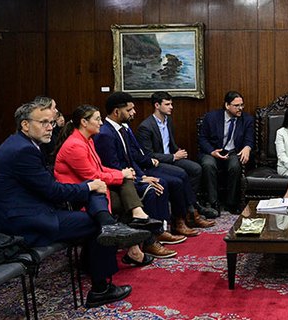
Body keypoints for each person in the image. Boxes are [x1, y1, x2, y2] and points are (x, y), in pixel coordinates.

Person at [0, 101, 151, 308]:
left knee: (94, 191)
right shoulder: (23, 150)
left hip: (30, 210)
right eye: (44, 122)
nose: (50, 127)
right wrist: (89, 187)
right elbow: (52, 191)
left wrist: (90, 187)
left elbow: (49, 186)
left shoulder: (24, 144)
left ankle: (108, 223)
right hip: (21, 222)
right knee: (96, 219)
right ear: (25, 125)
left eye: (51, 122)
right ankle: (101, 287)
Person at [54, 104, 163, 267]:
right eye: (97, 119)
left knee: (126, 184)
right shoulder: (75, 145)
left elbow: (99, 168)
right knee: (127, 192)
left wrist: (123, 172)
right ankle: (138, 222)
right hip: (83, 196)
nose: (100, 123)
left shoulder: (86, 140)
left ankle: (137, 229)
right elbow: (93, 176)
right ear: (84, 122)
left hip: (96, 191)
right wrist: (121, 174)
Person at [94, 92, 197, 260]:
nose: (133, 112)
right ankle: (150, 242)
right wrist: (140, 179)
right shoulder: (106, 133)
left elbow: (131, 159)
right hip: (117, 181)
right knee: (152, 190)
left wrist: (142, 176)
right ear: (116, 112)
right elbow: (114, 166)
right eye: (129, 109)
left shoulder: (121, 129)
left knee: (159, 183)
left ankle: (160, 231)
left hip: (130, 175)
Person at [137, 91, 218, 219]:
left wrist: (178, 152)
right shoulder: (146, 127)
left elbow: (170, 144)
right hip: (157, 163)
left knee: (196, 169)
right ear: (157, 105)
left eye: (171, 104)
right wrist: (174, 157)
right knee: (181, 173)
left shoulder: (168, 120)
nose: (171, 107)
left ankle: (190, 204)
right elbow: (148, 155)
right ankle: (192, 209)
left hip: (171, 157)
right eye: (167, 104)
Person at [198, 91, 254, 214]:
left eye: (242, 105)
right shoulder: (211, 117)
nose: (240, 108)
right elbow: (202, 138)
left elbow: (249, 139)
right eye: (236, 105)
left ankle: (231, 203)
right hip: (213, 151)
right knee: (208, 165)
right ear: (227, 105)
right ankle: (213, 202)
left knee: (235, 165)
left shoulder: (247, 119)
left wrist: (247, 147)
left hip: (233, 152)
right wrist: (212, 151)